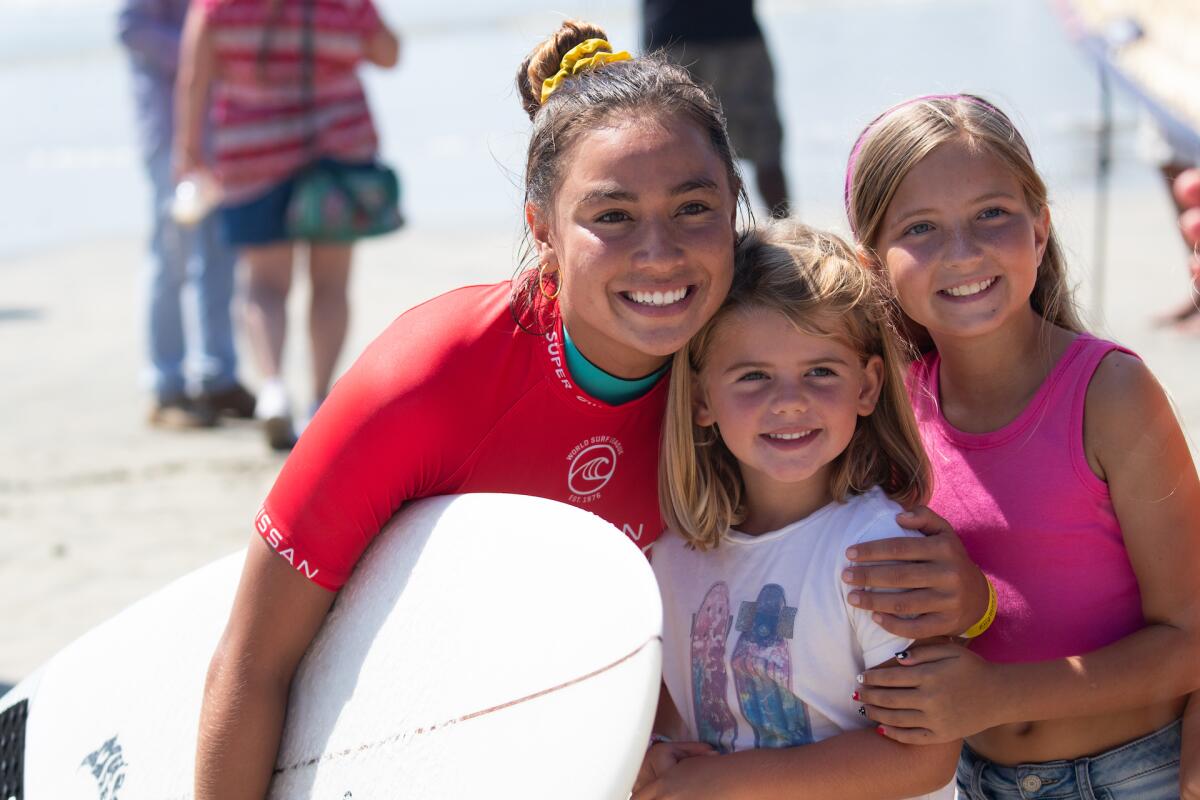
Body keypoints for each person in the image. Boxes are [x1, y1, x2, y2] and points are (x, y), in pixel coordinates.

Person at [191, 25, 989, 799]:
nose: (660, 252)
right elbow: (255, 662)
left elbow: (898, 475)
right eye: (611, 215)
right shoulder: (428, 380)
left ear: (734, 213)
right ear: (542, 228)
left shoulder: (746, 369)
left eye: (693, 208)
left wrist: (971, 592)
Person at [844, 94, 1200, 799]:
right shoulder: (885, 411)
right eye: (921, 227)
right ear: (873, 264)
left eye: (992, 215)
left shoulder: (1111, 394)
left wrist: (998, 696)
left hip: (1136, 776)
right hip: (979, 783)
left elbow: (1190, 642)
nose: (964, 250)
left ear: (1040, 230)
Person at [633, 221, 959, 799]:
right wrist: (653, 760)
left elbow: (925, 756)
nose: (789, 401)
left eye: (820, 371)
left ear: (867, 386)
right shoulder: (667, 555)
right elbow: (664, 722)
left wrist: (723, 783)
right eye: (754, 376)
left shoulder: (881, 549)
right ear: (702, 397)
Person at [174, 0, 400, 450]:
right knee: (331, 285)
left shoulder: (219, 5)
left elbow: (195, 76)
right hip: (338, 155)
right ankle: (318, 399)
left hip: (253, 151)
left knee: (263, 285)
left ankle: (274, 388)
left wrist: (188, 150)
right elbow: (387, 54)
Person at [118, 0, 256, 428]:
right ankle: (166, 385)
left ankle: (217, 375)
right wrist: (204, 51)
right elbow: (131, 29)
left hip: (225, 124)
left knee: (221, 253)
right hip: (169, 130)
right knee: (171, 255)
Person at [642, 0, 791, 218]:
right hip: (729, 30)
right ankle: (786, 235)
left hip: (676, 32)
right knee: (764, 148)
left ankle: (786, 235)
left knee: (670, 149)